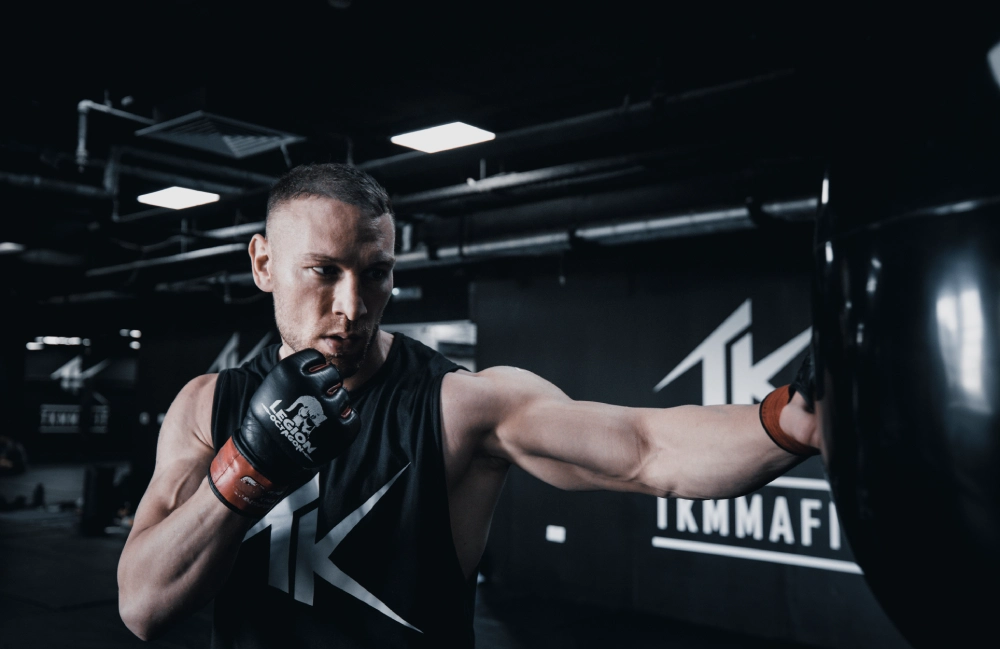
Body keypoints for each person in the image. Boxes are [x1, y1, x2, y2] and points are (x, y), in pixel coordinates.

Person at [117, 163, 820, 648]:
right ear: (263, 264)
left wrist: (794, 420)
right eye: (323, 271)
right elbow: (143, 607)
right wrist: (247, 466)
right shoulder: (207, 407)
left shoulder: (459, 405)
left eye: (377, 273)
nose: (352, 306)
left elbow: (646, 448)